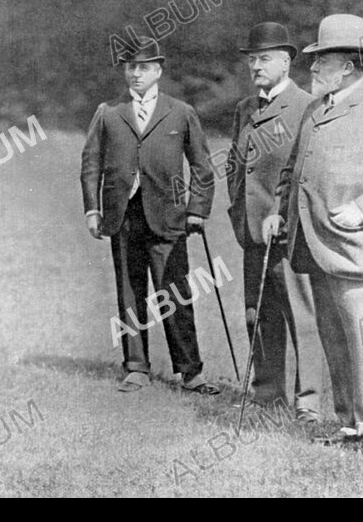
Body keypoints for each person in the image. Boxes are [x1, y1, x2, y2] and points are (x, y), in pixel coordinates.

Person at [263, 14, 363, 466]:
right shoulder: (318, 109)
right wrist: (279, 212)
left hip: (359, 250)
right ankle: (351, 424)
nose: (311, 70)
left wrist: (362, 211)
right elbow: (293, 171)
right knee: (336, 339)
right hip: (315, 248)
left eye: (320, 62)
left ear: (349, 66)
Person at [81, 38, 219, 395]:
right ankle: (136, 367)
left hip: (170, 218)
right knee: (129, 293)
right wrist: (93, 209)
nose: (136, 73)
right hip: (123, 216)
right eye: (131, 67)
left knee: (175, 292)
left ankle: (190, 372)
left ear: (158, 71)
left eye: (144, 67)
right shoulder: (108, 112)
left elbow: (203, 167)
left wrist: (197, 210)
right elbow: (90, 164)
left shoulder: (181, 111)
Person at [227, 22, 324, 424]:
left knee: (300, 316)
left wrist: (283, 216)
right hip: (252, 232)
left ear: (286, 62)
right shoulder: (245, 110)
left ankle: (309, 403)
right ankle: (268, 393)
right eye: (252, 60)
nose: (256, 66)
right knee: (257, 315)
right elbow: (236, 166)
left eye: (264, 58)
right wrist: (238, 211)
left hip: (289, 233)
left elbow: (307, 171)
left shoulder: (307, 106)